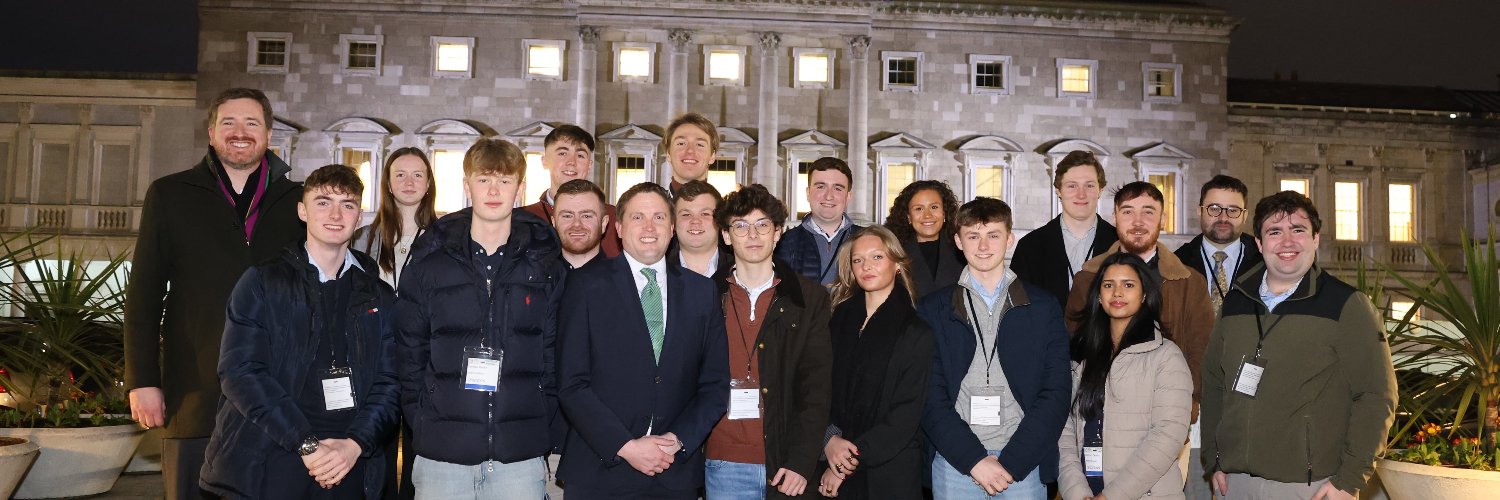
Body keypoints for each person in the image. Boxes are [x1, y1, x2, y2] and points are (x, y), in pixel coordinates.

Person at [124, 87, 305, 500]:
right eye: (229, 123)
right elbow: (144, 296)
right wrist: (143, 381)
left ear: (269, 134)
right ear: (211, 133)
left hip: (277, 397)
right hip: (194, 396)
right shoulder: (170, 195)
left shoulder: (299, 202)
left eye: (251, 123)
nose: (240, 132)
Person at [200, 164, 400, 499]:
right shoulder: (263, 282)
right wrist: (306, 444)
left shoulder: (379, 294)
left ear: (359, 216)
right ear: (302, 211)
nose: (335, 213)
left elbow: (390, 381)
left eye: (347, 204)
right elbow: (241, 372)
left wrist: (356, 444)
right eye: (323, 202)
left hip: (351, 462)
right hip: (274, 457)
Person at [395, 138, 566, 499]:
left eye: (504, 181)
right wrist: (424, 419)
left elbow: (553, 355)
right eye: (484, 179)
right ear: (466, 184)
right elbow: (408, 354)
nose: (493, 190)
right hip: (443, 456)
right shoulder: (429, 263)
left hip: (518, 456)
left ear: (519, 190)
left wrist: (539, 419)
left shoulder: (545, 264)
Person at [1201, 191, 1396, 500]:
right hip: (1234, 484)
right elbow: (1213, 382)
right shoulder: (1235, 302)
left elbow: (1376, 396)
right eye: (1275, 231)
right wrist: (1214, 460)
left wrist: (1349, 481)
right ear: (1260, 243)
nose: (1287, 241)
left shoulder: (1346, 305)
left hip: (1312, 487)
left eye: (1299, 230)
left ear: (1316, 239)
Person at [557, 182, 730, 499]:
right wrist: (625, 446)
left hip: (672, 471)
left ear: (672, 227)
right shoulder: (584, 286)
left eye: (660, 218)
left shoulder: (702, 292)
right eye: (638, 218)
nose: (650, 227)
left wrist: (676, 440)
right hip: (600, 469)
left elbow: (715, 385)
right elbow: (572, 384)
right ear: (620, 228)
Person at [919, 198, 1072, 500]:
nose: (984, 246)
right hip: (956, 462)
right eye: (973, 236)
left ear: (1010, 239)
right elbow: (927, 394)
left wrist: (1014, 462)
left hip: (1022, 463)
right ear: (958, 241)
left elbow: (1056, 390)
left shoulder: (1042, 306)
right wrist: (973, 460)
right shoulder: (933, 309)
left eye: (994, 235)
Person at [704, 184, 833, 499]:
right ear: (725, 235)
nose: (752, 235)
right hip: (723, 462)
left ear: (778, 233)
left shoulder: (808, 298)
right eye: (741, 225)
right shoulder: (703, 296)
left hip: (785, 463)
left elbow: (816, 387)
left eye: (762, 225)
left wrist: (802, 460)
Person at [1064, 182, 1213, 408]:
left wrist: (1184, 406)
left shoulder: (1189, 283)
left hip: (1168, 409)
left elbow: (1201, 352)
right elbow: (1073, 352)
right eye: (1127, 212)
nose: (1138, 222)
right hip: (1101, 409)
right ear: (1114, 218)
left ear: (1163, 219)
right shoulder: (1087, 280)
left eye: (1148, 212)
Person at [1056, 252, 1192, 500]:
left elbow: (1168, 435)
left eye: (1128, 285)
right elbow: (1063, 430)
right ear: (1098, 295)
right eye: (1109, 285)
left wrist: (1113, 496)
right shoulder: (1080, 355)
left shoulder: (1166, 356)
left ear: (1143, 295)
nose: (1117, 292)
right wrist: (1076, 493)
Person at [817, 226, 934, 500]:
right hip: (831, 458)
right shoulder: (837, 321)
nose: (866, 266)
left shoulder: (916, 332)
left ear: (896, 263)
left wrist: (845, 462)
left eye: (877, 257)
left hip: (888, 473)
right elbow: (818, 388)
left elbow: (905, 416)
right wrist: (829, 440)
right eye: (858, 260)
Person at [1011, 150, 1118, 308]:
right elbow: (1018, 307)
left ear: (1100, 190)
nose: (1081, 194)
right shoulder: (1030, 246)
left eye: (1089, 185)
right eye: (1072, 186)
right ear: (1058, 191)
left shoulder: (1120, 244)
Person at [521, 124, 622, 258]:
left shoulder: (616, 218)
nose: (571, 162)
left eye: (580, 155)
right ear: (545, 161)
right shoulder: (523, 219)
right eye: (562, 153)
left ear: (589, 164)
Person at [1173, 175, 1263, 315]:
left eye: (1233, 210)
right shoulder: (1176, 263)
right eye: (1214, 208)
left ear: (1245, 216)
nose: (1223, 218)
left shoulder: (1265, 261)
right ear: (1200, 211)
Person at [353, 147, 438, 287]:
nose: (409, 182)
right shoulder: (362, 239)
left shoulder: (446, 240)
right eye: (400, 175)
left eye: (417, 175)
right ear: (388, 184)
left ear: (428, 184)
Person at [775, 157, 863, 286]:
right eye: (821, 187)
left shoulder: (867, 239)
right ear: (808, 193)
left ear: (848, 196)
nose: (828, 196)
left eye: (838, 188)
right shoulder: (784, 243)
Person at [885, 180, 964, 300]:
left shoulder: (963, 250)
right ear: (908, 217)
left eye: (934, 207)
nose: (927, 215)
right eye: (918, 209)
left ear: (944, 213)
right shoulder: (893, 254)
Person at [668, 180, 733, 280]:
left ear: (720, 221)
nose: (695, 221)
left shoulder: (739, 271)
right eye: (686, 214)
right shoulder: (657, 273)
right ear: (674, 224)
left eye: (705, 214)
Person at [552, 178, 612, 269]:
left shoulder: (627, 280)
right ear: (554, 222)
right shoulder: (531, 278)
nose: (576, 224)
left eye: (586, 216)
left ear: (604, 223)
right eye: (567, 216)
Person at [663, 112, 719, 195]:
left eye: (699, 145)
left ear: (712, 156)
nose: (690, 150)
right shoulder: (651, 207)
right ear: (668, 154)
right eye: (681, 143)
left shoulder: (725, 208)